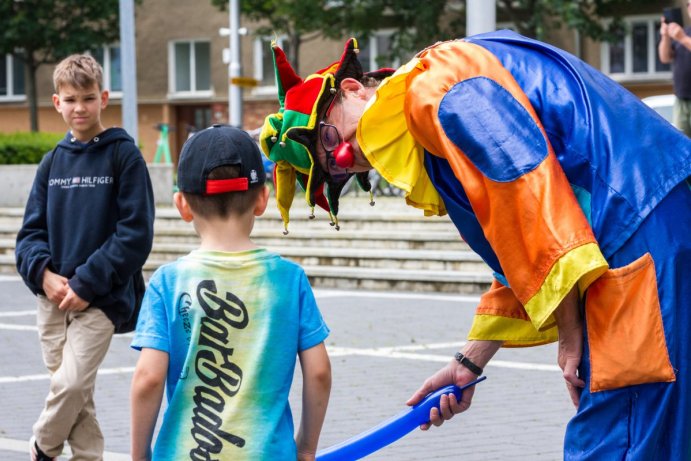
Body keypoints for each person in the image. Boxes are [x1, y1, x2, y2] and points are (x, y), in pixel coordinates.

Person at [259, 33, 691, 460]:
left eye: (331, 138)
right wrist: (469, 363)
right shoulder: (434, 107)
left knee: (620, 438)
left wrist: (571, 332)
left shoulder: (435, 89)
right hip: (645, 229)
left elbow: (530, 196)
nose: (343, 158)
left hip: (640, 229)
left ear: (351, 89)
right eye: (335, 170)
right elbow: (516, 246)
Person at [129, 124, 331, 461]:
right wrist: (306, 447)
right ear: (262, 199)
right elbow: (319, 372)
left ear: (183, 205)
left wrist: (139, 456)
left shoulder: (168, 282)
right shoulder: (288, 279)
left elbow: (148, 378)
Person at [14, 54, 155, 461]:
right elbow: (29, 236)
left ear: (104, 98)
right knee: (77, 398)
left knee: (71, 386)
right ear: (56, 102)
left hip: (101, 298)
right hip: (51, 299)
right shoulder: (52, 162)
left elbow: (135, 234)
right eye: (70, 99)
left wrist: (86, 283)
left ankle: (42, 446)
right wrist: (44, 275)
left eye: (88, 98)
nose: (80, 108)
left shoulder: (123, 156)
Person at [659, 2, 691, 136]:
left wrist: (683, 39)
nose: (690, 8)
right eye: (688, 4)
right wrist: (666, 36)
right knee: (684, 146)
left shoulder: (683, 35)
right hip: (681, 99)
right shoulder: (685, 31)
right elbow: (665, 58)